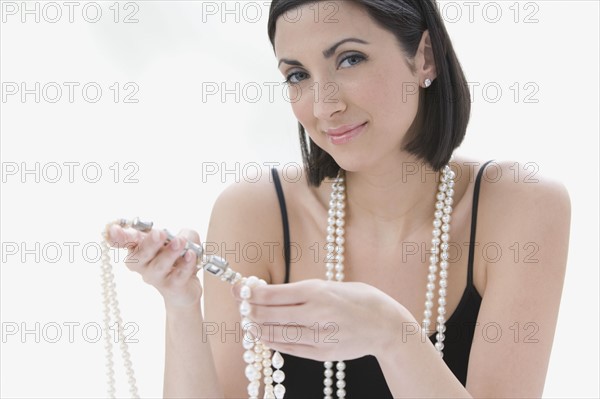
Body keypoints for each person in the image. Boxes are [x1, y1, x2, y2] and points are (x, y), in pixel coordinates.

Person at [108, 0, 571, 397]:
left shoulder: (520, 207)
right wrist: (183, 305)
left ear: (424, 58)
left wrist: (389, 332)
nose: (324, 103)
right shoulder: (257, 212)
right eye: (297, 75)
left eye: (350, 60)